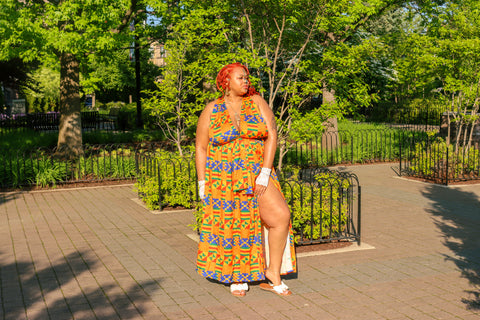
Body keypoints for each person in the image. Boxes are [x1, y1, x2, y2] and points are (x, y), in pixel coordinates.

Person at [195, 62, 297, 297]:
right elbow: (201, 147)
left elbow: (272, 135)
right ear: (226, 81)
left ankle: (272, 271)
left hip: (255, 172)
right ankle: (237, 275)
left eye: (247, 78)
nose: (246, 81)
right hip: (223, 177)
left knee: (280, 216)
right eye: (240, 78)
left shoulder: (257, 102)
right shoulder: (212, 109)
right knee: (233, 224)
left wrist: (265, 171)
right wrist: (202, 182)